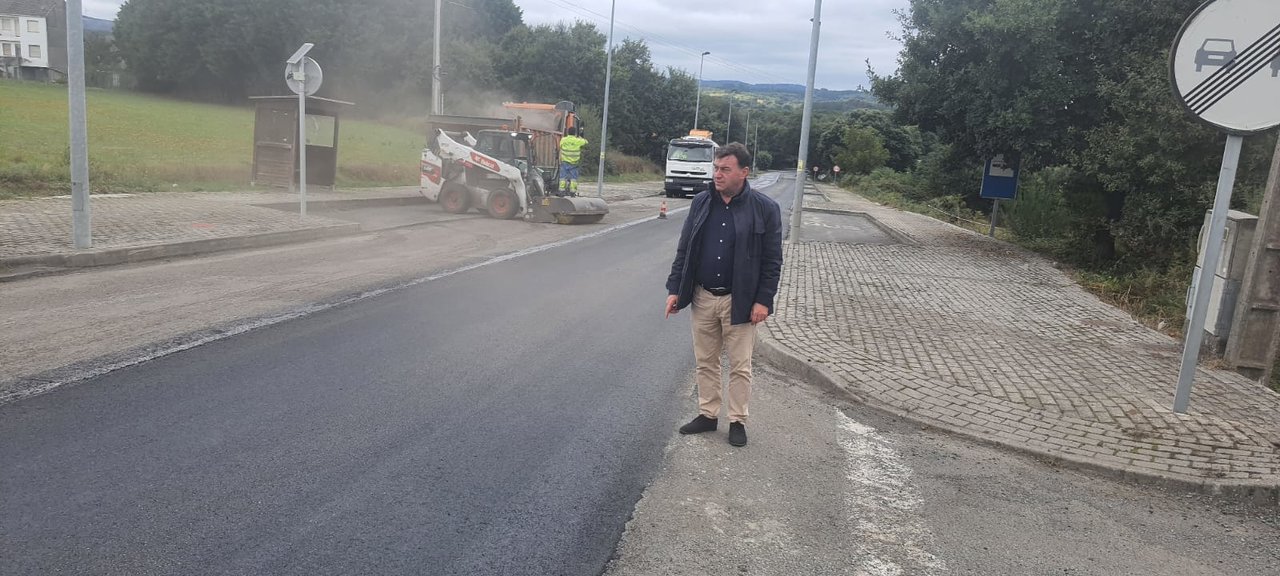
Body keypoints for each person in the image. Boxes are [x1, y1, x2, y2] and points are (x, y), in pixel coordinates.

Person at [664, 142, 783, 447]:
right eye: (716, 168)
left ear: (744, 173)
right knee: (706, 361)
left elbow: (772, 261)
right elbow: (684, 249)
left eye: (725, 169)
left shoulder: (765, 209)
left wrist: (763, 301)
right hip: (703, 297)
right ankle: (707, 414)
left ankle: (737, 420)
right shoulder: (702, 202)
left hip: (740, 300)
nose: (717, 174)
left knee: (740, 365)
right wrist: (675, 290)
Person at [558, 127, 588, 196]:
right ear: (575, 133)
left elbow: (560, 146)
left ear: (568, 132)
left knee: (563, 177)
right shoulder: (577, 141)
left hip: (565, 162)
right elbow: (586, 142)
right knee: (573, 178)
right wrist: (580, 138)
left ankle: (561, 191)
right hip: (574, 163)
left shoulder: (563, 140)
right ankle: (572, 192)